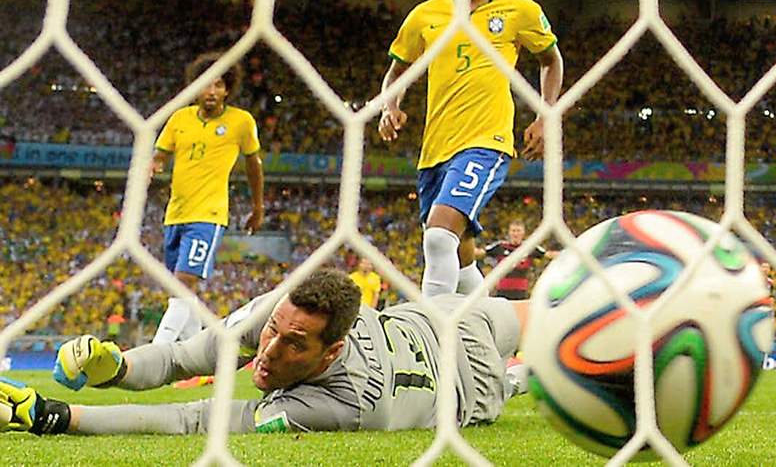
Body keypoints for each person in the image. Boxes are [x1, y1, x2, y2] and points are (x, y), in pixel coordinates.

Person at [2, 269, 529, 435]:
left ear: (330, 353)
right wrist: (117, 366)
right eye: (272, 331)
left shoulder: (339, 405)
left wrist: (54, 416)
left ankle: (525, 375)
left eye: (293, 345)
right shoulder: (277, 315)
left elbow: (193, 419)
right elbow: (183, 358)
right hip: (427, 316)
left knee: (558, 326)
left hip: (471, 382)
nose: (267, 351)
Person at [378, 0, 563, 299]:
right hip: (435, 150)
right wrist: (390, 104)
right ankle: (492, 337)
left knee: (438, 236)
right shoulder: (424, 15)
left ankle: (431, 334)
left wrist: (545, 114)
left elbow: (551, 60)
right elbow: (397, 71)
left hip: (485, 142)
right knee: (459, 258)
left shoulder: (519, 11)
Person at [149, 52, 265, 344]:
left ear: (228, 88)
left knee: (183, 286)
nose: (211, 92)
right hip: (175, 215)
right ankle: (199, 358)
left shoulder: (241, 122)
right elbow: (160, 155)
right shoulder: (179, 119)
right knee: (182, 293)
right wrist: (154, 164)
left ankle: (156, 353)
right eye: (205, 85)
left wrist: (257, 206)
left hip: (208, 216)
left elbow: (254, 165)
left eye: (218, 85)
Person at [477, 220, 556, 300]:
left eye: (518, 231)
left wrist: (566, 254)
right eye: (513, 231)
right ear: (509, 232)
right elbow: (481, 252)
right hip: (502, 291)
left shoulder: (529, 247)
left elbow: (548, 254)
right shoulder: (501, 246)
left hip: (520, 292)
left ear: (523, 233)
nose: (515, 234)